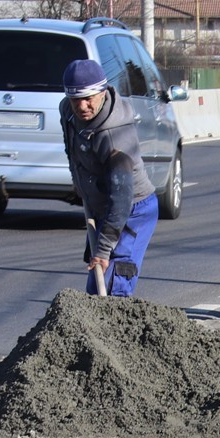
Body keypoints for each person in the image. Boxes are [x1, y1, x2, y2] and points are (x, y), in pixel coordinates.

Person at [59, 57, 157, 297]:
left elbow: (121, 200)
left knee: (115, 278)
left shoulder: (114, 137)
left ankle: (117, 328)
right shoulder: (67, 111)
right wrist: (80, 183)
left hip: (133, 208)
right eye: (75, 99)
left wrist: (103, 251)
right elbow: (71, 148)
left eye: (88, 99)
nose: (82, 106)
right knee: (95, 284)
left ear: (102, 92)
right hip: (103, 204)